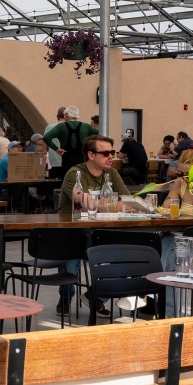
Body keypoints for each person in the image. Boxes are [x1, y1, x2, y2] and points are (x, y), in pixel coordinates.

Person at [56, 135, 129, 316]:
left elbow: (128, 202)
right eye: (105, 153)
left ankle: (96, 297)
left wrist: (99, 203)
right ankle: (66, 297)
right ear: (91, 155)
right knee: (70, 265)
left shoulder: (111, 173)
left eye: (112, 152)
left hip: (102, 230)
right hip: (73, 231)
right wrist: (113, 203)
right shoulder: (75, 173)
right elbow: (85, 204)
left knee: (128, 255)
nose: (111, 157)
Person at [44, 104, 97, 177]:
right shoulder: (86, 126)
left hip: (67, 161)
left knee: (68, 180)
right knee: (81, 180)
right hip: (82, 160)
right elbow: (100, 135)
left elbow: (46, 137)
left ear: (67, 115)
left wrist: (56, 149)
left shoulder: (61, 126)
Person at [46, 107, 66, 178]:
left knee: (54, 182)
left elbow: (45, 143)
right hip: (66, 161)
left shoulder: (49, 127)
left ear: (57, 116)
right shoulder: (69, 127)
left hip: (53, 161)